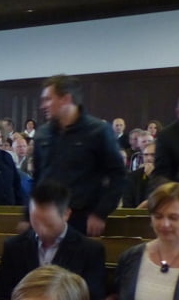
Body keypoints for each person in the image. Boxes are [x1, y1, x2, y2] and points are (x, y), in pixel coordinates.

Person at [32, 74, 126, 236]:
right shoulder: (43, 134)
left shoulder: (97, 131)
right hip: (47, 217)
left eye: (48, 99)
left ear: (66, 99)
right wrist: (28, 216)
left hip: (82, 218)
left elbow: (118, 175)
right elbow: (37, 178)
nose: (43, 105)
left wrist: (100, 213)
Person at [0, 180, 107, 300]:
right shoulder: (14, 247)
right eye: (35, 222)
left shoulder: (90, 251)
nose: (41, 230)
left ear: (66, 214)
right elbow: (2, 294)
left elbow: (91, 298)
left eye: (48, 224)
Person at [121, 141, 163, 209]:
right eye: (146, 155)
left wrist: (152, 176)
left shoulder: (167, 174)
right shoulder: (132, 176)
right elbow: (127, 205)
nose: (148, 158)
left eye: (153, 155)